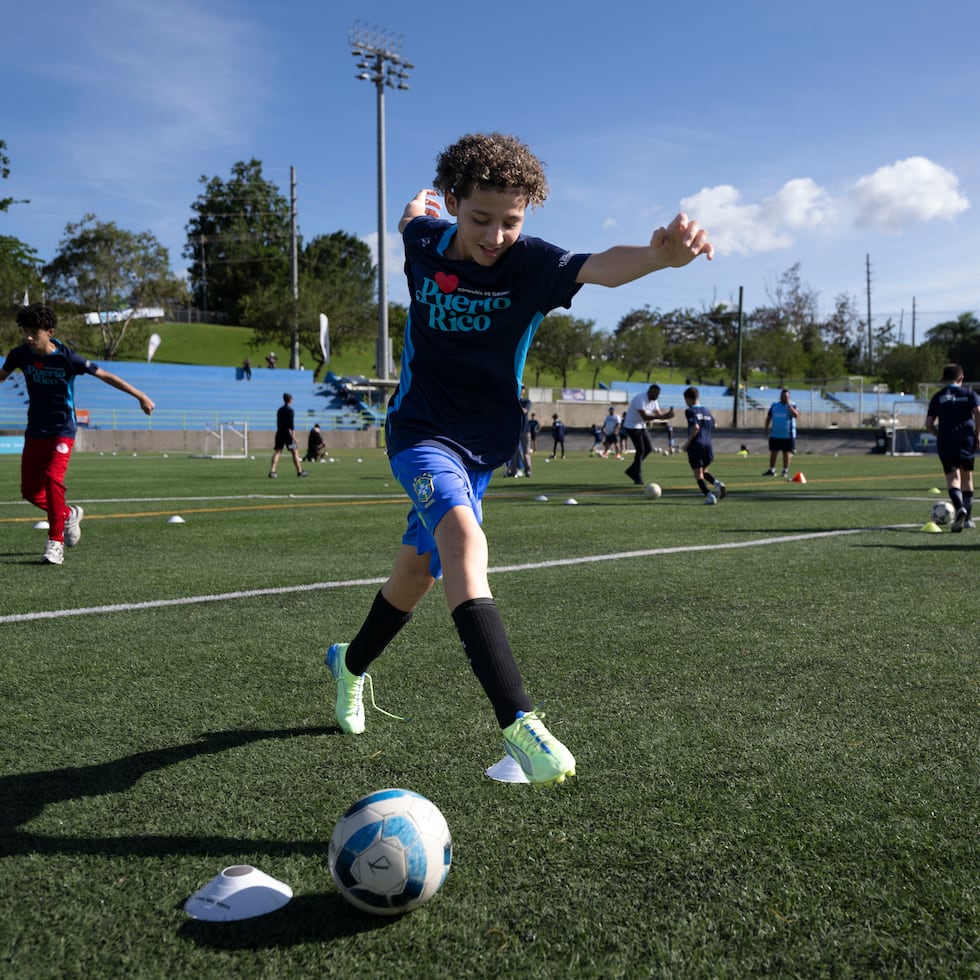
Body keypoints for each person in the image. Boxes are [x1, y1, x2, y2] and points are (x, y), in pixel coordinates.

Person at [324, 132, 712, 786]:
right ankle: (518, 720)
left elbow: (598, 265)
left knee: (415, 578)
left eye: (512, 220)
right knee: (463, 541)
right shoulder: (424, 243)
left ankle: (350, 665)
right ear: (453, 204)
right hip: (419, 433)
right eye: (479, 218)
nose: (496, 234)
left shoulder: (529, 264)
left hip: (481, 447)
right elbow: (413, 222)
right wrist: (415, 212)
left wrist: (658, 258)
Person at [0, 303, 155, 564]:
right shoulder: (20, 354)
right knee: (29, 491)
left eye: (34, 333)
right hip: (36, 429)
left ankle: (55, 543)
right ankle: (69, 514)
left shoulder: (68, 359)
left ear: (49, 332)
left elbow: (105, 375)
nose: (28, 338)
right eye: (25, 331)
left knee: (52, 477)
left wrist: (140, 396)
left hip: (62, 430)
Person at [925, 363, 980, 532]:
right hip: (966, 440)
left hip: (947, 441)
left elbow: (928, 424)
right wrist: (978, 434)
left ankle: (959, 508)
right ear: (961, 379)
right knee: (967, 478)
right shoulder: (969, 394)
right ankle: (968, 518)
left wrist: (937, 434)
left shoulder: (938, 397)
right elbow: (978, 412)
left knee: (952, 479)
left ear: (943, 380)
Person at [680, 386, 726, 503]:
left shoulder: (690, 411)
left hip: (696, 445)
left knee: (698, 474)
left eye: (685, 400)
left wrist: (687, 444)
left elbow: (695, 427)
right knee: (704, 471)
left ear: (688, 398)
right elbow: (715, 424)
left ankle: (709, 496)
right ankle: (717, 484)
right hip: (708, 445)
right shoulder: (706, 411)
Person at [622, 384, 675, 485]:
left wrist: (667, 416)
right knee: (640, 450)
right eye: (655, 394)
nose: (657, 397)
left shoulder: (654, 401)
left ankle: (631, 470)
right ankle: (637, 476)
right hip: (631, 426)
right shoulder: (640, 399)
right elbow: (645, 417)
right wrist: (662, 417)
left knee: (649, 449)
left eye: (658, 395)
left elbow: (659, 415)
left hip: (641, 426)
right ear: (649, 391)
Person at [269, 393, 308, 477]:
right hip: (287, 433)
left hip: (279, 432)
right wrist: (294, 437)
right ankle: (299, 471)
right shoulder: (290, 411)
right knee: (294, 451)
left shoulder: (279, 410)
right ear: (290, 400)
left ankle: (272, 471)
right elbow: (291, 425)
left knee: (278, 451)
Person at [763, 388, 799, 479]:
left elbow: (796, 415)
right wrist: (766, 428)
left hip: (788, 434)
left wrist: (789, 406)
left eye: (786, 396)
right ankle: (772, 470)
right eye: (783, 396)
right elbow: (769, 417)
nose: (784, 398)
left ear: (789, 397)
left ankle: (785, 470)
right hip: (775, 434)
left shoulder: (792, 405)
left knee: (786, 453)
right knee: (773, 452)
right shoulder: (775, 406)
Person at [505, 385, 532, 477]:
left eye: (522, 388)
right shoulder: (513, 401)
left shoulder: (526, 401)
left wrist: (516, 404)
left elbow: (524, 411)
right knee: (514, 452)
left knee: (526, 452)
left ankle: (528, 471)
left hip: (525, 430)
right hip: (515, 430)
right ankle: (513, 471)